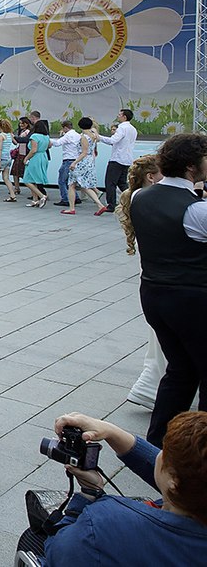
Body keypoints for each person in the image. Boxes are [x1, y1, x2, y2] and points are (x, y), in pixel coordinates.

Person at [29, 411, 207, 565]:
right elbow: (187, 474)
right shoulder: (195, 495)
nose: (159, 454)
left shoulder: (103, 522)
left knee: (32, 538)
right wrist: (112, 432)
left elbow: (58, 552)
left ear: (174, 482)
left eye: (165, 452)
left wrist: (88, 495)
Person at [128, 132, 207, 446]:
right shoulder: (197, 211)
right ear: (191, 166)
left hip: (153, 294)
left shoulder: (140, 197)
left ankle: (158, 443)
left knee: (181, 369)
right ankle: (197, 451)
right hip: (193, 298)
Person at [117, 154, 166, 410]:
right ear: (151, 177)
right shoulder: (146, 200)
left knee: (159, 339)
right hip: (161, 283)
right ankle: (150, 387)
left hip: (153, 282)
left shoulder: (138, 199)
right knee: (160, 340)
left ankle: (150, 386)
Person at [97, 108, 138, 214]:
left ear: (124, 117)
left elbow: (113, 140)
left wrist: (99, 137)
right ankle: (131, 200)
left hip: (117, 158)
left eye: (120, 114)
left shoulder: (121, 128)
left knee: (110, 182)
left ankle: (111, 204)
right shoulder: (133, 129)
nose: (118, 116)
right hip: (127, 158)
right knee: (122, 183)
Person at [63, 117, 105, 215]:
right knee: (83, 185)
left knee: (73, 185)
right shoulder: (94, 135)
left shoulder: (84, 137)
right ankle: (99, 205)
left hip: (82, 162)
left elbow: (84, 152)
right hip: (90, 161)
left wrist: (74, 162)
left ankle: (72, 208)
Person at [23, 119, 54, 209]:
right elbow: (49, 145)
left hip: (35, 158)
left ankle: (41, 196)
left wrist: (26, 158)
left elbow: (33, 150)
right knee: (34, 179)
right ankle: (35, 200)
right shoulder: (46, 136)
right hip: (43, 156)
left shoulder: (34, 136)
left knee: (27, 179)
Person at [54, 119, 81, 207]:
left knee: (62, 180)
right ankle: (75, 197)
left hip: (68, 159)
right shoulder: (77, 135)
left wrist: (48, 140)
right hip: (75, 159)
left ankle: (65, 198)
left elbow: (57, 143)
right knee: (71, 181)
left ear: (65, 127)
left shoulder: (68, 135)